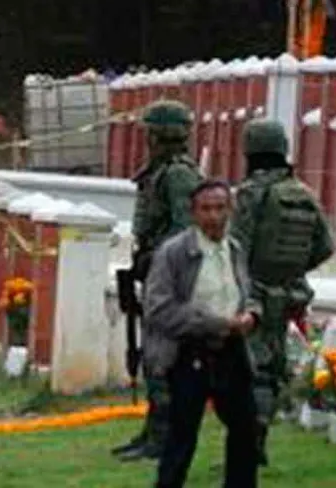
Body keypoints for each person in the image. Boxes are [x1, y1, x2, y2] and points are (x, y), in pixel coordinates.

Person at [230, 119, 333, 467]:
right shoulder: (304, 192)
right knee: (273, 370)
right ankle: (257, 442)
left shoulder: (251, 192)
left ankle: (250, 448)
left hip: (255, 292)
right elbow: (326, 245)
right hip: (291, 294)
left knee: (252, 370)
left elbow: (236, 245)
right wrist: (295, 270)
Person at [145, 180, 261, 488]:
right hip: (189, 353)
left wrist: (251, 314)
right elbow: (158, 309)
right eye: (206, 209)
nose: (214, 216)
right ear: (193, 213)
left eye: (220, 208)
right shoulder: (174, 253)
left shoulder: (234, 249)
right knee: (182, 435)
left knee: (246, 428)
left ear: (231, 210)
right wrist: (216, 323)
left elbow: (247, 291)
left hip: (232, 351)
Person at [112, 99, 203, 462]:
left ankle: (165, 437)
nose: (146, 138)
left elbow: (185, 228)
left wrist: (158, 259)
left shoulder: (178, 174)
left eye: (151, 131)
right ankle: (154, 430)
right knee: (153, 357)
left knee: (164, 359)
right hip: (157, 274)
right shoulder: (160, 171)